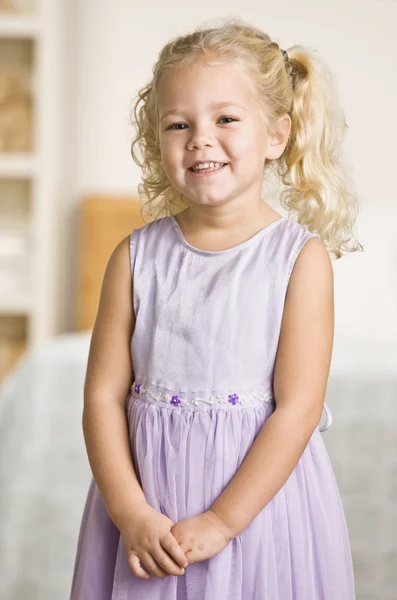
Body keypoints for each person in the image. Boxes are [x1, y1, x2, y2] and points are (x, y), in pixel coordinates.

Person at [69, 17, 362, 600]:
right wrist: (130, 513)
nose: (200, 137)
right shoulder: (134, 257)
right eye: (179, 124)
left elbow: (297, 410)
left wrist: (225, 520)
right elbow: (102, 397)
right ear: (159, 141)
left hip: (257, 512)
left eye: (226, 119)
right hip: (146, 510)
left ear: (277, 135)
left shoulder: (298, 260)